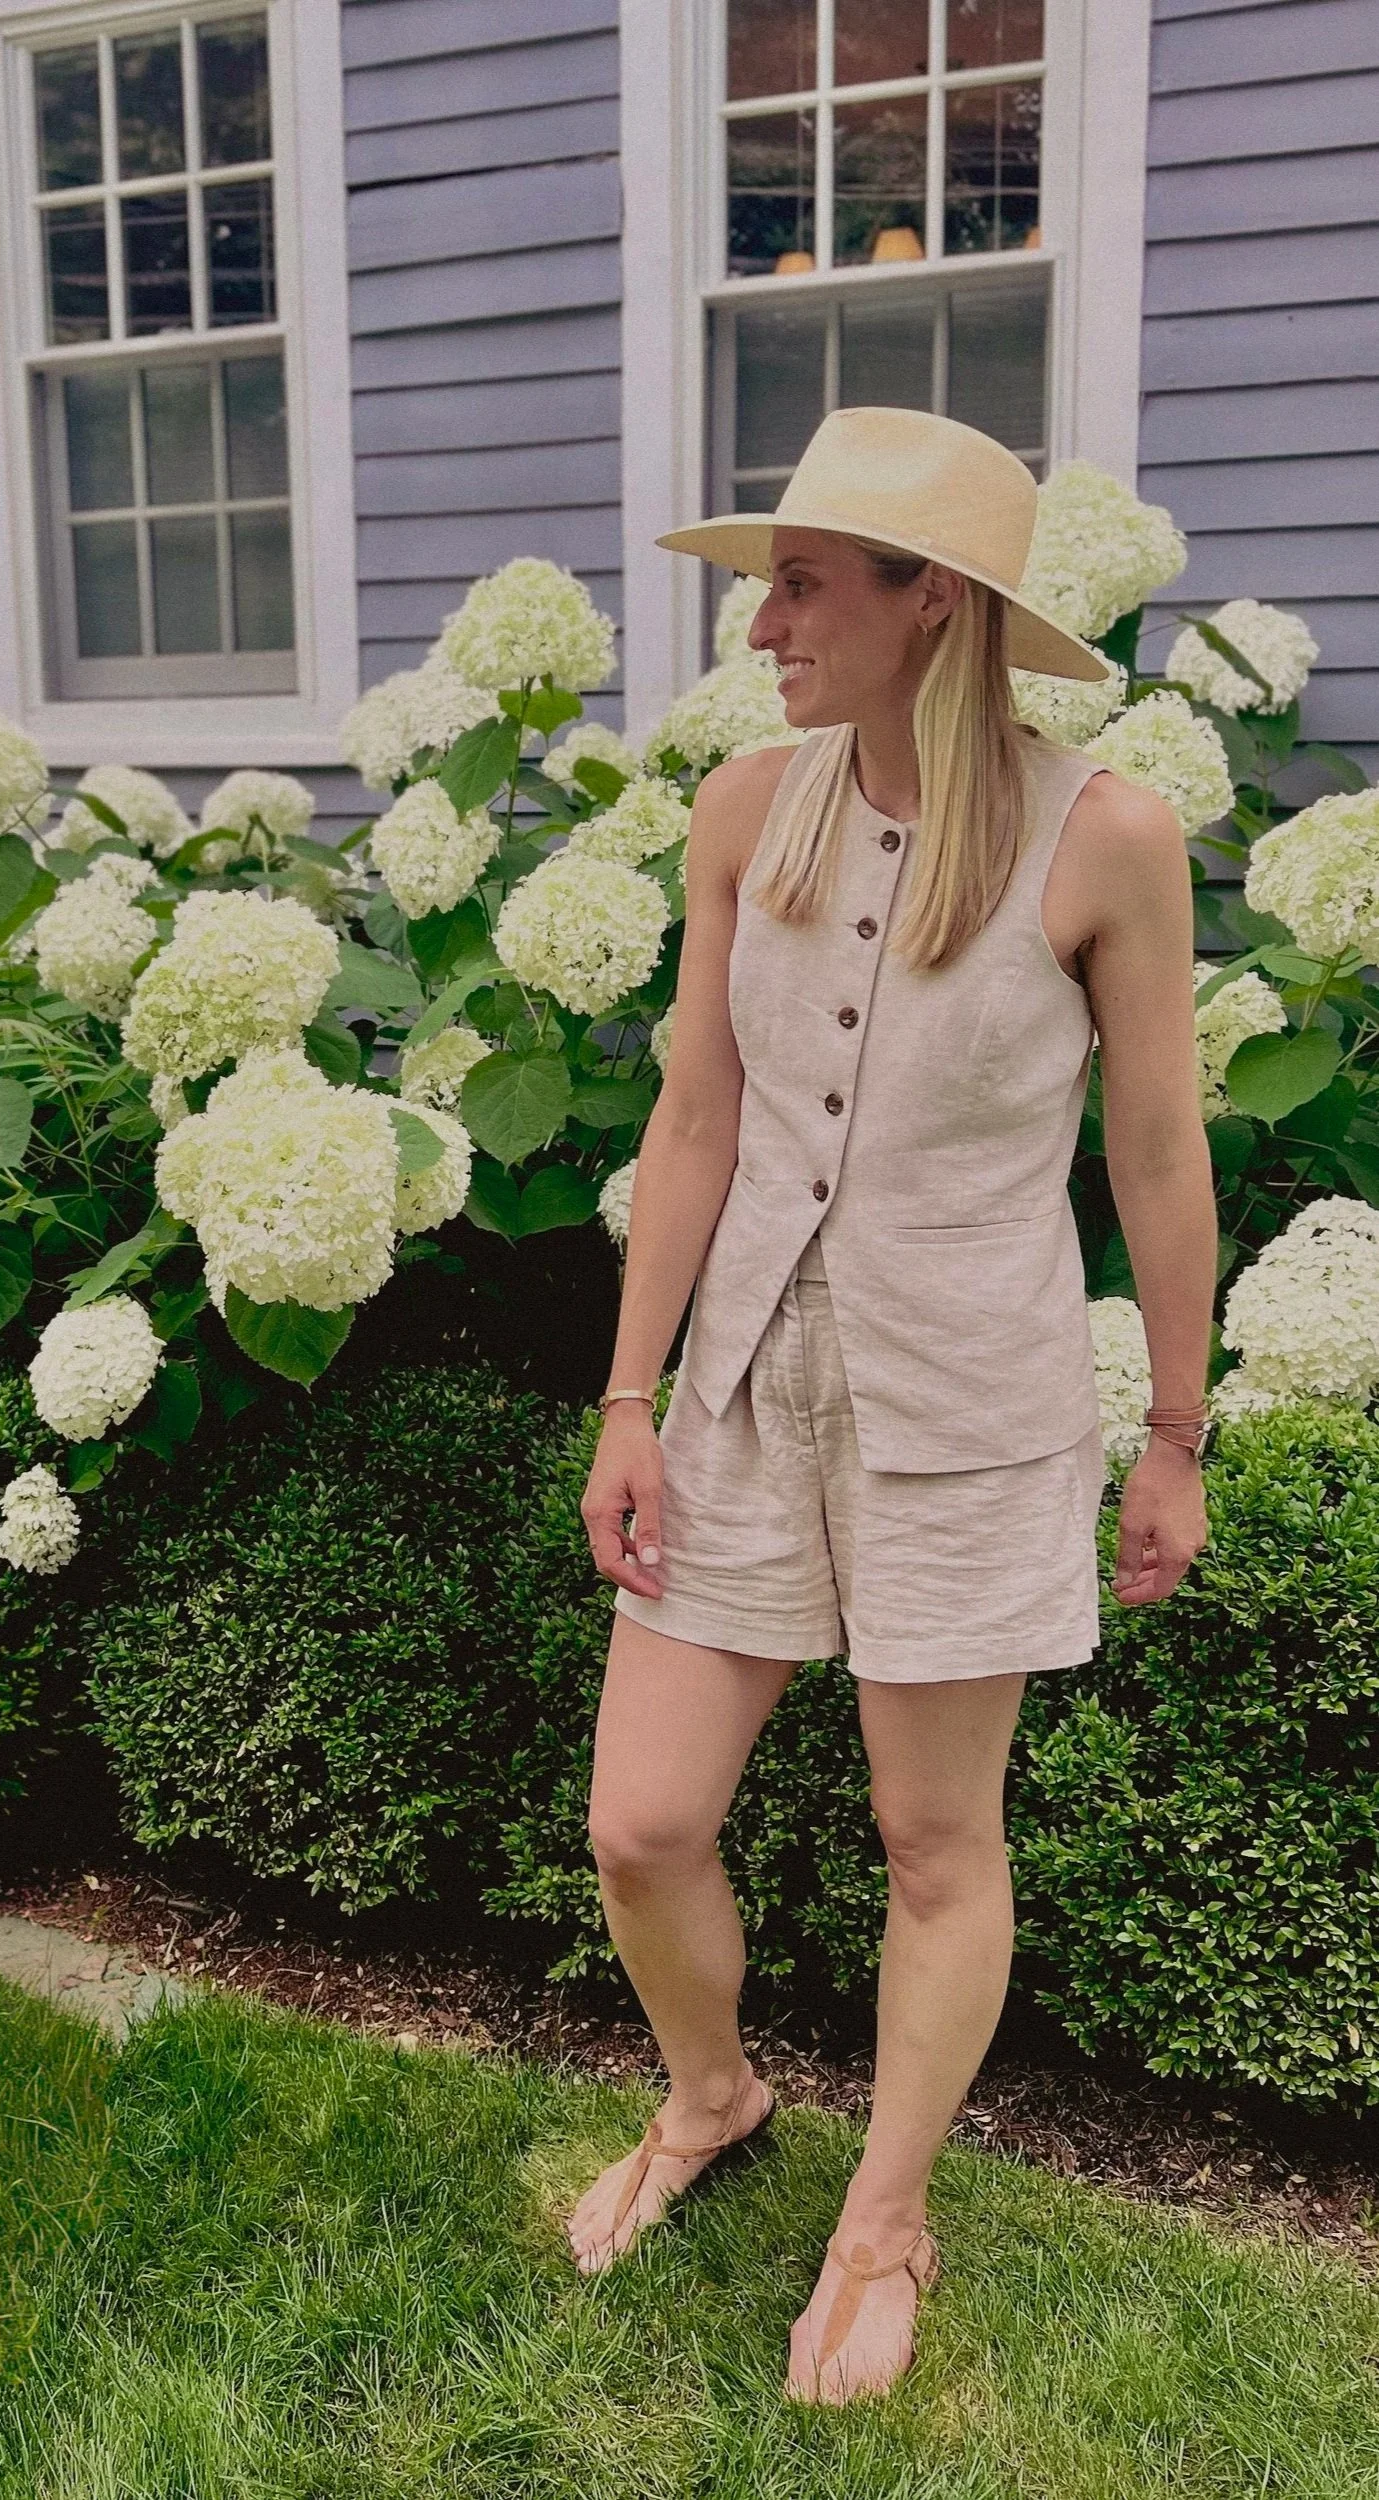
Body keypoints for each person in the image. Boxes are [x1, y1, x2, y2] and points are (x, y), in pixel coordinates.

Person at [568, 407, 1216, 2405]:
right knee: (639, 1818)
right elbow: (697, 1112)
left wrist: (1175, 1427)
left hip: (972, 1407)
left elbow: (1162, 1156)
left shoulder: (1103, 834)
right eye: (767, 580)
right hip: (750, 1385)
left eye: (803, 581)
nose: (762, 621)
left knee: (934, 1839)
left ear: (934, 603)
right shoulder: (744, 807)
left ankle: (889, 2214)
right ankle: (715, 2091)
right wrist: (627, 1390)